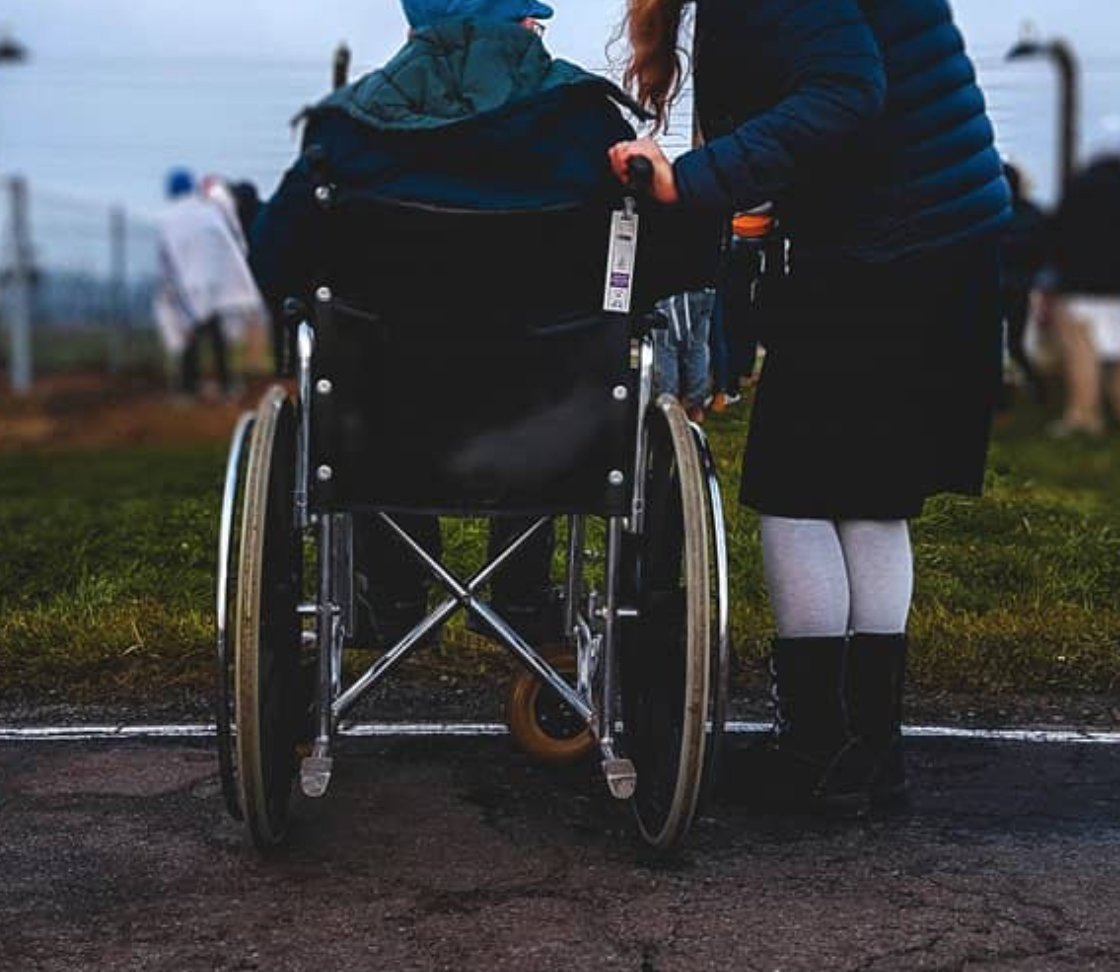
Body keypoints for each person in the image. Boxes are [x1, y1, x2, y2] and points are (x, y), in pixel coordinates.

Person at [610, 0, 1011, 811]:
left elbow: (844, 88)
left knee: (796, 496)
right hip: (940, 243)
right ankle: (866, 750)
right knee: (869, 499)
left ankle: (818, 745)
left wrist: (692, 178)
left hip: (883, 252)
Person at [250, 0, 648, 646]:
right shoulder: (587, 121)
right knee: (544, 373)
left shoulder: (345, 130)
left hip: (382, 425)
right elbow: (646, 268)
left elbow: (273, 260)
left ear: (415, 29)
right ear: (521, 24)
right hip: (551, 423)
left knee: (372, 381)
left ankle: (395, 594)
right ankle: (521, 598)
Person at [155, 167, 264, 399]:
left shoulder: (166, 219)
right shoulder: (208, 211)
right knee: (217, 337)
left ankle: (187, 389)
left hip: (187, 286)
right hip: (215, 283)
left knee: (190, 339)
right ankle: (226, 386)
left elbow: (165, 258)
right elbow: (230, 241)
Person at [1042, 135, 1120, 437]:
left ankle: (1084, 416)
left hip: (1080, 289)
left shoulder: (1078, 191)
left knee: (1082, 354)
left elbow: (1055, 238)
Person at [999, 163, 1049, 409]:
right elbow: (1045, 253)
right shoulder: (1033, 214)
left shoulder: (988, 214)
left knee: (988, 345)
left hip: (991, 288)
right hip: (1020, 287)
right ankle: (1039, 392)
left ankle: (1000, 401)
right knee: (1015, 345)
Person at [654, 289, 716, 423]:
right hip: (707, 288)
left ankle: (670, 408)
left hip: (679, 290)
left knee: (667, 347)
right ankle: (694, 404)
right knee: (697, 346)